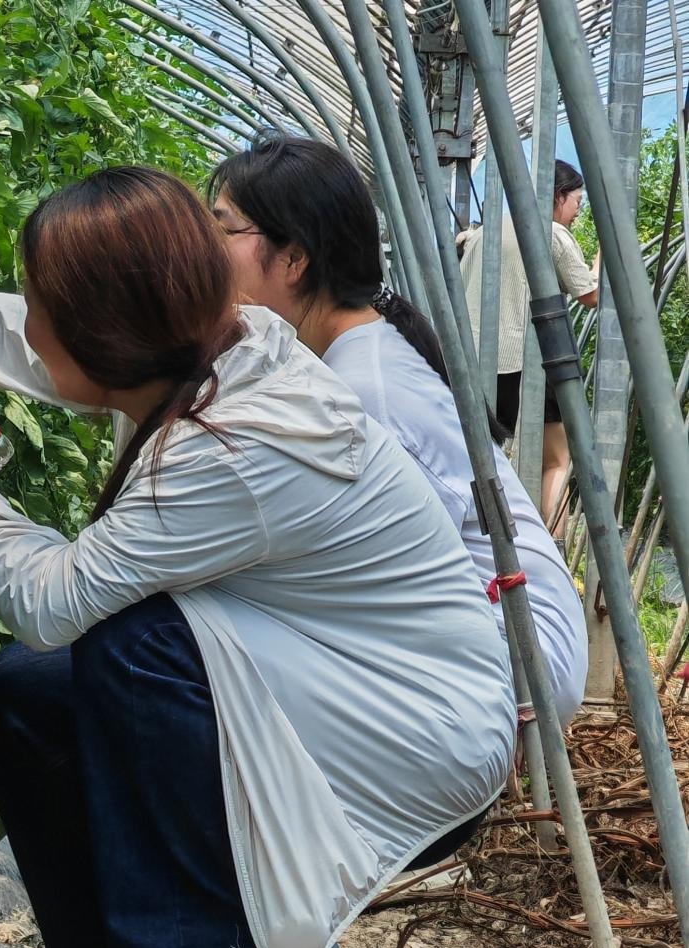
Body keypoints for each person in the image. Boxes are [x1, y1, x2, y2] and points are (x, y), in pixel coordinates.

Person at [0, 166, 515, 948]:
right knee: (26, 690)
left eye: (41, 307)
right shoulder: (202, 348)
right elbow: (3, 334)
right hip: (332, 675)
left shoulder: (234, 445)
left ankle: (186, 935)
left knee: (132, 644)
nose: (27, 326)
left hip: (416, 736)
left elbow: (53, 599)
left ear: (102, 330)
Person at [208, 134, 587, 728]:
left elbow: (395, 575)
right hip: (501, 639)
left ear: (293, 259)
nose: (205, 253)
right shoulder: (358, 354)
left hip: (516, 658)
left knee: (193, 643)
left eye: (222, 230)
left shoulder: (362, 392)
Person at [458, 159, 600, 535]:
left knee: (486, 459)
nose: (577, 212)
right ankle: (552, 547)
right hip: (527, 363)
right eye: (577, 202)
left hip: (474, 364)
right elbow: (590, 295)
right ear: (558, 197)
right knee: (556, 460)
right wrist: (602, 262)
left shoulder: (486, 232)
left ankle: (492, 543)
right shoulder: (550, 233)